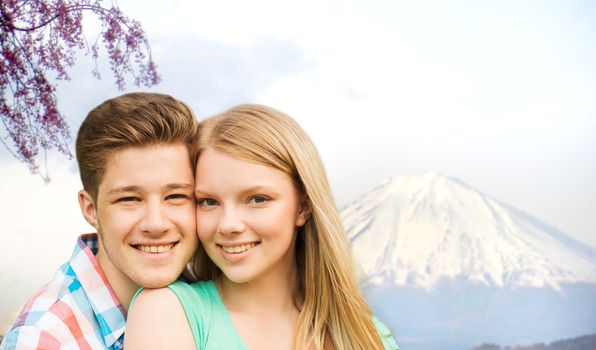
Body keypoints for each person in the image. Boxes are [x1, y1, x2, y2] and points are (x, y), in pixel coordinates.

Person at [125, 104, 399, 349]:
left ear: (302, 207)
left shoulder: (369, 335)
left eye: (257, 199)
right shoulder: (167, 312)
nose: (229, 225)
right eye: (209, 201)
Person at [0, 92, 199, 349]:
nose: (156, 224)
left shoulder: (210, 299)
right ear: (91, 209)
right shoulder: (45, 339)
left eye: (176, 196)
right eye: (129, 199)